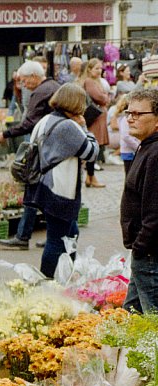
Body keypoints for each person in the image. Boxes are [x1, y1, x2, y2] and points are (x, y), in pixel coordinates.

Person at [23, 83, 99, 279]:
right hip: (59, 190)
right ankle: (45, 280)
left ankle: (68, 274)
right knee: (57, 239)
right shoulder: (68, 126)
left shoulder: (45, 120)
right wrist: (84, 127)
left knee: (70, 232)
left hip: (43, 186)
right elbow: (92, 153)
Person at [0, 61, 61, 250]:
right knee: (45, 190)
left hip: (44, 147)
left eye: (24, 81)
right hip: (53, 147)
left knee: (33, 189)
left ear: (34, 76)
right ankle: (53, 236)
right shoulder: (53, 86)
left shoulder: (40, 91)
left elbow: (29, 123)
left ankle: (24, 236)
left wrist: (5, 134)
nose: (23, 85)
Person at [120, 88, 158, 312]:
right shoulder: (146, 147)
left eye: (137, 114)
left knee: (151, 321)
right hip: (144, 252)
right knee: (132, 314)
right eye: (128, 113)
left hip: (150, 253)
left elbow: (155, 212)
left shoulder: (154, 154)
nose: (130, 118)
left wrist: (141, 247)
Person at [79, 58, 109, 188]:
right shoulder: (89, 81)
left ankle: (90, 177)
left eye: (100, 68)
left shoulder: (96, 81)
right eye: (96, 68)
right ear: (89, 69)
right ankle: (91, 177)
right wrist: (105, 97)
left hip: (98, 119)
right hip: (94, 119)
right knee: (93, 148)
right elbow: (100, 97)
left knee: (95, 149)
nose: (99, 70)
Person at [109, 95, 141, 174]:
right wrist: (137, 146)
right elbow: (126, 136)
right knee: (129, 175)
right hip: (129, 152)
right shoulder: (125, 119)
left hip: (131, 151)